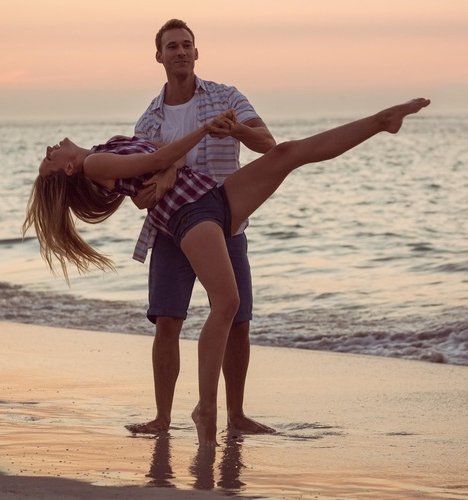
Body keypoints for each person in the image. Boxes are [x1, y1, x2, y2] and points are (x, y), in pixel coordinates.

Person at [23, 98, 431, 446]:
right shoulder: (94, 162)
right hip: (188, 212)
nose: (49, 149)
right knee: (227, 303)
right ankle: (206, 410)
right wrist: (202, 130)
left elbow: (168, 158)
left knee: (287, 153)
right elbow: (161, 157)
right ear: (69, 171)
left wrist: (170, 165)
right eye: (48, 160)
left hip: (214, 196)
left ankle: (380, 122)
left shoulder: (104, 149)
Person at [129, 19, 276, 436]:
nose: (180, 51)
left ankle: (236, 414)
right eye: (171, 46)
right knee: (167, 322)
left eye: (186, 45)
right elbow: (142, 183)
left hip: (227, 223)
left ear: (197, 53)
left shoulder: (226, 98)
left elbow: (268, 144)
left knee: (238, 320)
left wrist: (239, 130)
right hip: (173, 232)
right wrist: (146, 191)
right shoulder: (150, 122)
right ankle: (161, 418)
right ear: (159, 56)